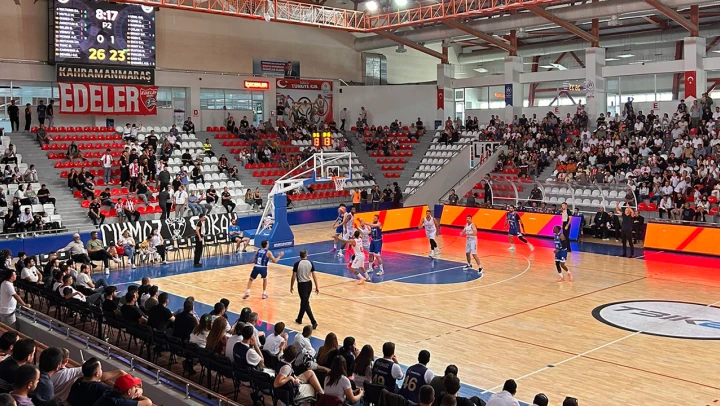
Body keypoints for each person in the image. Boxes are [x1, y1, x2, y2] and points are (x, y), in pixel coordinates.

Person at [290, 249, 320, 329]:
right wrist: (317, 286)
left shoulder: (297, 264)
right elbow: (314, 275)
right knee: (304, 302)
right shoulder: (310, 263)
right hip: (309, 284)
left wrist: (291, 286)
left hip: (301, 285)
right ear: (306, 254)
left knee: (305, 303)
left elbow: (293, 276)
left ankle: (313, 322)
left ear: (300, 255)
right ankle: (299, 319)